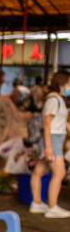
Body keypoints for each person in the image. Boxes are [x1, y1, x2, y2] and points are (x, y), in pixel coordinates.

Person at [29, 70, 70, 218]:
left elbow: (60, 121)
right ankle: (52, 207)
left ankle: (37, 203)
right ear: (62, 84)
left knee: (39, 171)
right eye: (69, 83)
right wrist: (48, 147)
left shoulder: (56, 99)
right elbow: (47, 123)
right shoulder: (54, 100)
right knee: (59, 173)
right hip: (52, 140)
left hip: (51, 139)